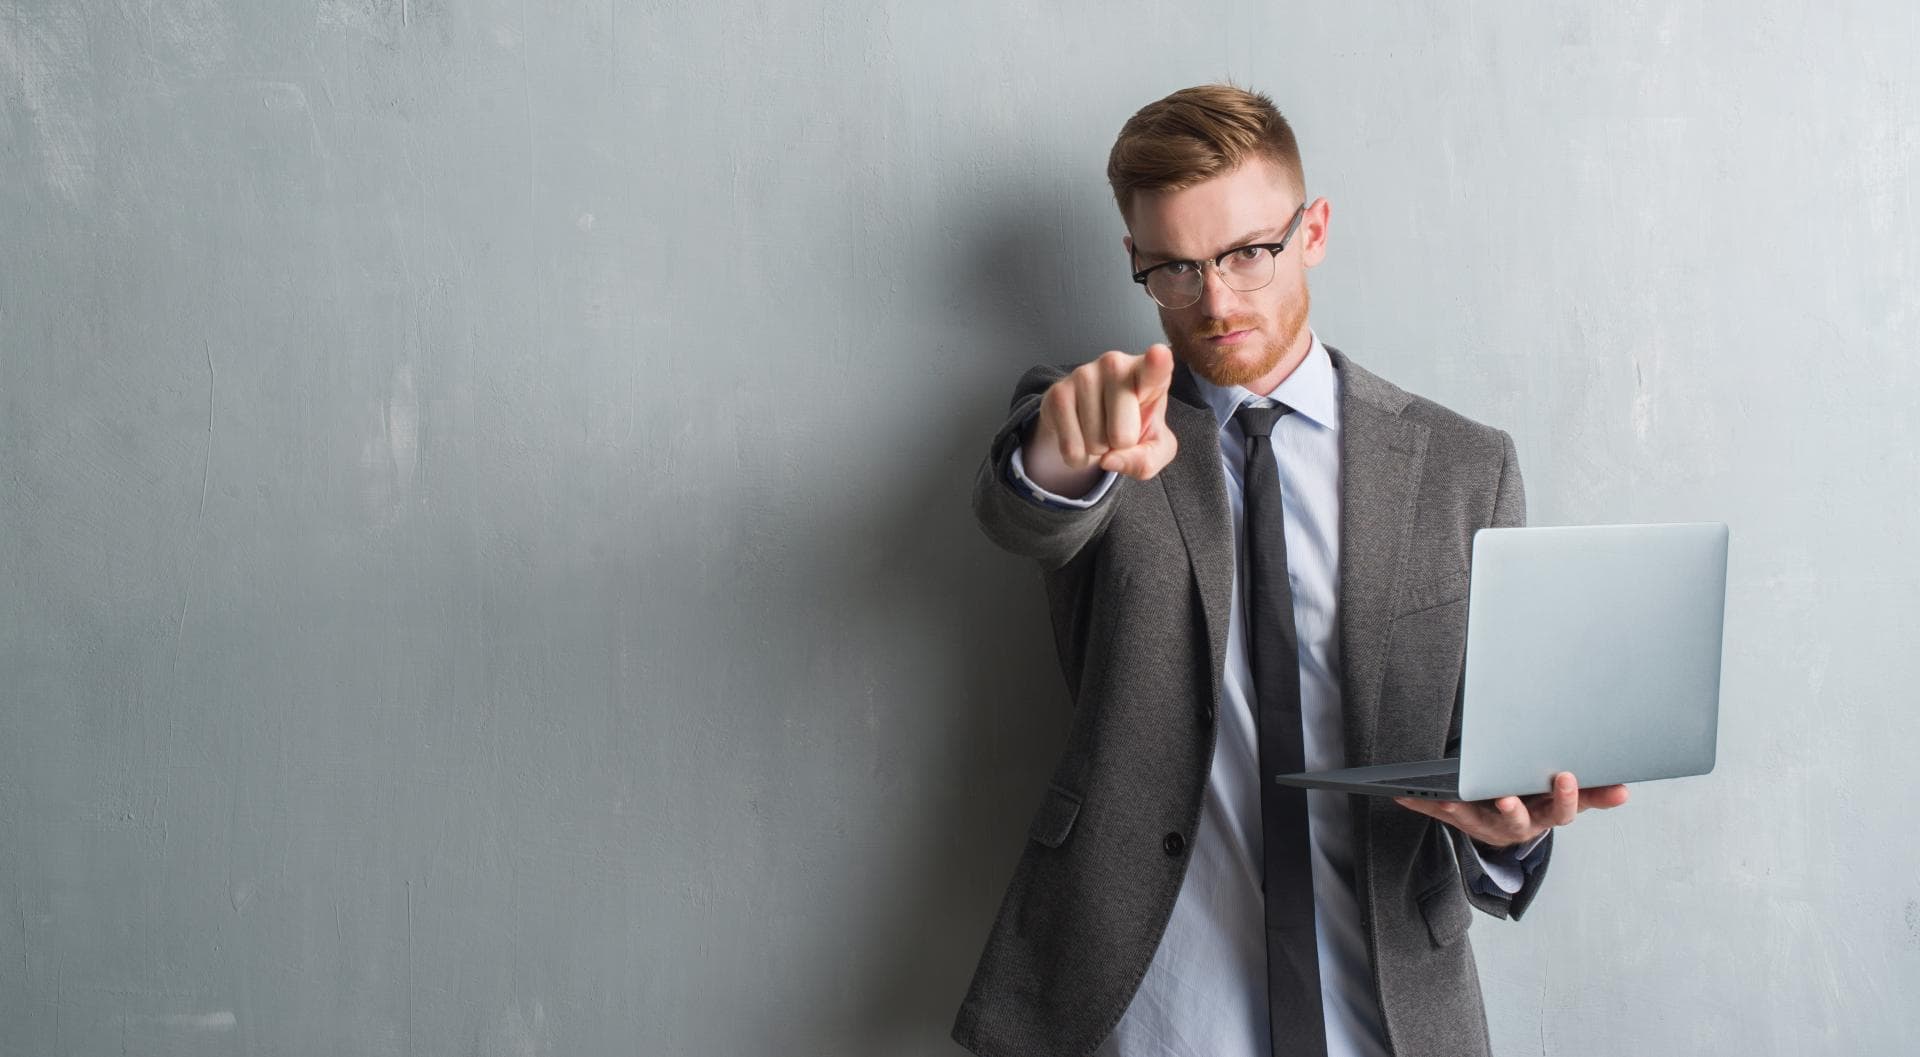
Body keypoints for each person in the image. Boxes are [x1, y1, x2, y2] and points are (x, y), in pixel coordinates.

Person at [950, 84, 1630, 1057]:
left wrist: (1512, 829)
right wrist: (1065, 447)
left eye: (1246, 254)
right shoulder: (1105, 423)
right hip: (1151, 1007)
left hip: (1390, 1005)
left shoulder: (1464, 467)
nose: (1216, 301)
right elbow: (1026, 510)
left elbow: (1488, 747)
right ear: (1137, 265)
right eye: (1175, 270)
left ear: (1312, 230)